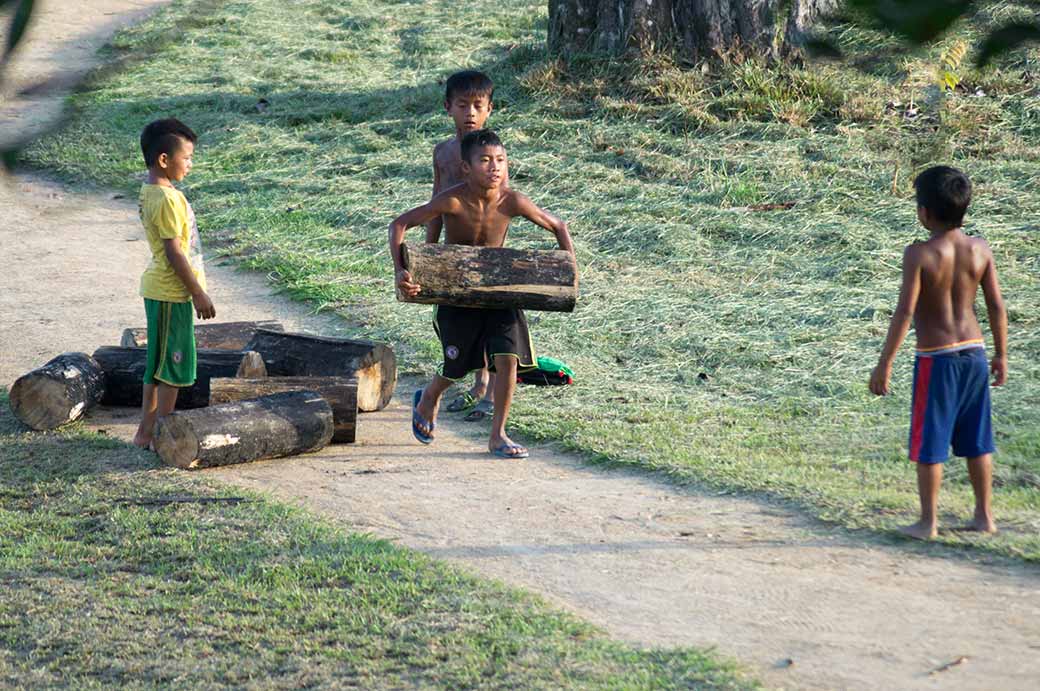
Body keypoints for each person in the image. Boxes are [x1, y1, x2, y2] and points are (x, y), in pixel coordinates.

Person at [390, 129, 575, 459]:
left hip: (501, 292)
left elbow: (559, 226)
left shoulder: (513, 201)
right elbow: (400, 224)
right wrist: (401, 270)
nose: (495, 168)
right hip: (456, 293)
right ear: (466, 168)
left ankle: (498, 436)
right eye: (485, 161)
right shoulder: (453, 200)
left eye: (501, 161)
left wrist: (568, 271)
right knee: (457, 366)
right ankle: (430, 396)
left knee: (508, 361)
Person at [869, 165, 1007, 540]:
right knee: (978, 440)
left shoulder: (919, 253)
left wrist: (885, 363)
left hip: (937, 358)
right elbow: (996, 305)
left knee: (930, 441)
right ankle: (984, 516)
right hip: (975, 353)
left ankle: (928, 521)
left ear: (924, 213)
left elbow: (906, 312)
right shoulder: (980, 248)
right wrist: (1001, 354)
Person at [132, 118, 216, 449]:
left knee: (158, 367)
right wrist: (197, 293)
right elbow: (173, 252)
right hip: (171, 293)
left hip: (162, 291)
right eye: (187, 158)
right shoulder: (166, 199)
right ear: (164, 160)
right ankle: (157, 434)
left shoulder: (154, 192)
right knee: (173, 369)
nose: (190, 165)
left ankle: (146, 433)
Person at [427, 70, 501, 420]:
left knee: (488, 320)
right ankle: (468, 380)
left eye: (478, 106)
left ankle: (482, 386)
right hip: (452, 252)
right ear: (448, 108)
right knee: (458, 321)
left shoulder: (492, 154)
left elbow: (503, 203)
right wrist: (427, 251)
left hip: (487, 253)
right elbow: (435, 202)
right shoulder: (442, 153)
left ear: (489, 109)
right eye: (462, 105)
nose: (470, 113)